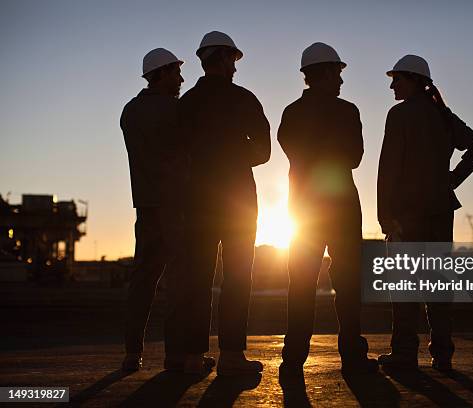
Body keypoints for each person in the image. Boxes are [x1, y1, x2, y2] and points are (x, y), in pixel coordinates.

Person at [377, 54, 473, 371]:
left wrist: (385, 216)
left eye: (397, 79)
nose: (392, 84)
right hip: (440, 210)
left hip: (407, 214)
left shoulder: (398, 115)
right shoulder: (442, 115)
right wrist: (452, 179)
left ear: (413, 80)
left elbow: (388, 170)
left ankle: (404, 353)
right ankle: (442, 354)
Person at [278, 42, 378, 376]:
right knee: (348, 283)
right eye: (337, 72)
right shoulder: (347, 112)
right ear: (324, 73)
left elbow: (293, 151)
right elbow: (354, 158)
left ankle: (293, 360)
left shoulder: (292, 113)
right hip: (341, 208)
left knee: (301, 284)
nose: (341, 80)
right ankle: (352, 356)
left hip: (304, 210)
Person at [178, 31, 271, 375]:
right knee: (237, 277)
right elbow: (263, 150)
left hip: (198, 200)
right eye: (233, 59)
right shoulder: (244, 99)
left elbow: (176, 153)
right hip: (238, 203)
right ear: (223, 58)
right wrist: (233, 155)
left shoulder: (187, 103)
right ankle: (231, 356)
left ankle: (192, 357)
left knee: (197, 278)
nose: (235, 66)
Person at [119, 48, 190, 371]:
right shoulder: (177, 110)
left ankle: (132, 352)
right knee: (180, 279)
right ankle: (176, 356)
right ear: (160, 74)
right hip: (176, 206)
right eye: (175, 73)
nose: (181, 79)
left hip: (146, 207)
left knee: (143, 281)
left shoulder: (130, 112)